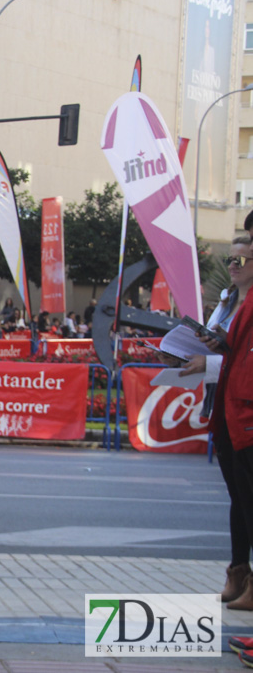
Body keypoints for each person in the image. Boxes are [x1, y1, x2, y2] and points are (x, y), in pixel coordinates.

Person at [182, 232, 253, 608]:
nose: (233, 266)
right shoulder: (227, 300)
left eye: (242, 260)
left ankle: (247, 578)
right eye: (231, 259)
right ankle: (238, 571)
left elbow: (240, 356)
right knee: (237, 496)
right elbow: (225, 349)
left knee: (247, 495)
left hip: (241, 402)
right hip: (223, 402)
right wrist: (186, 355)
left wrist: (206, 361)